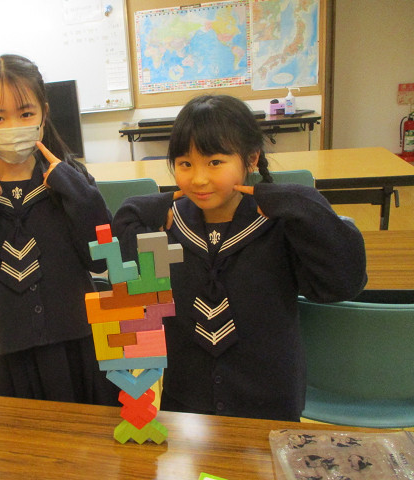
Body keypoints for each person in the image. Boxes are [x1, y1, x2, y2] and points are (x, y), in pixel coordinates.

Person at [112, 94, 367, 421]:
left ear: (251, 159)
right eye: (185, 164)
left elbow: (343, 283)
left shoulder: (278, 225)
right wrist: (141, 207)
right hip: (187, 402)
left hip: (269, 402)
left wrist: (304, 202)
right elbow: (121, 263)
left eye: (215, 162)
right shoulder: (169, 226)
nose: (199, 178)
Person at [0, 54, 117, 405]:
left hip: (83, 349)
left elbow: (101, 258)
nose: (13, 127)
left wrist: (73, 187)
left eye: (25, 114)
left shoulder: (71, 182)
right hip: (15, 363)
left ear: (43, 114)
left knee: (93, 436)